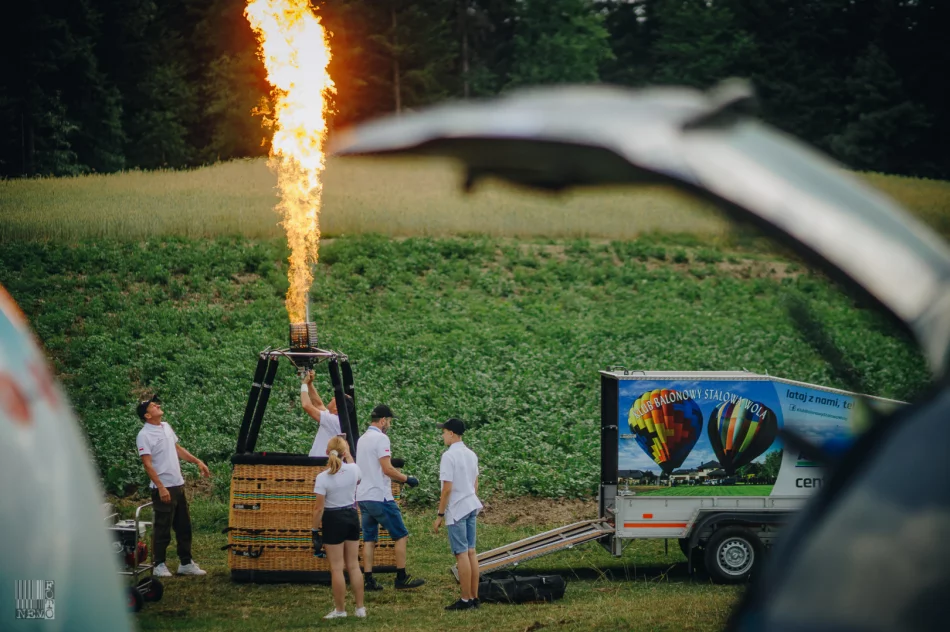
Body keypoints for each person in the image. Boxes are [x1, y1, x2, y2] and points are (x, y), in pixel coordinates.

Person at [135, 394, 211, 577]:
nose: (157, 405)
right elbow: (147, 464)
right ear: (147, 415)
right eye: (152, 406)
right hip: (163, 487)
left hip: (178, 484)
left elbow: (177, 449)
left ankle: (186, 563)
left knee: (184, 526)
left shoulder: (166, 427)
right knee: (162, 528)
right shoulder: (144, 435)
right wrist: (161, 487)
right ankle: (159, 564)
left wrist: (197, 461)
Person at [356, 404, 424, 591]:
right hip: (380, 496)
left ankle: (368, 579)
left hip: (363, 496)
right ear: (382, 420)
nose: (389, 425)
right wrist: (407, 479)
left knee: (369, 539)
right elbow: (387, 469)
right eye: (389, 421)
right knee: (401, 535)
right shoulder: (381, 439)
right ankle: (401, 577)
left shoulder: (362, 439)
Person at [312, 436, 366, 619]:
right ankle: (360, 608)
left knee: (336, 568)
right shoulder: (354, 469)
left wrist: (314, 530)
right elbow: (357, 477)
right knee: (354, 565)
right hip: (351, 515)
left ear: (327, 452)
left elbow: (319, 508)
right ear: (345, 452)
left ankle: (341, 610)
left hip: (333, 518)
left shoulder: (322, 478)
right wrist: (348, 455)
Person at [432, 418, 483, 610]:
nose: (443, 435)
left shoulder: (448, 456)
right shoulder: (471, 454)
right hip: (471, 505)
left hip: (457, 509)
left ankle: (465, 599)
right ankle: (474, 597)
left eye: (444, 432)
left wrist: (440, 514)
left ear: (451, 433)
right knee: (471, 552)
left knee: (461, 554)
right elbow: (475, 484)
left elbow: (447, 489)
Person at [300, 370, 354, 458]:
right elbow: (318, 404)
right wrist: (310, 383)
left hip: (320, 462)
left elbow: (306, 405)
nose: (332, 398)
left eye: (335, 398)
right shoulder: (336, 419)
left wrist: (304, 384)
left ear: (337, 408)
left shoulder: (334, 420)